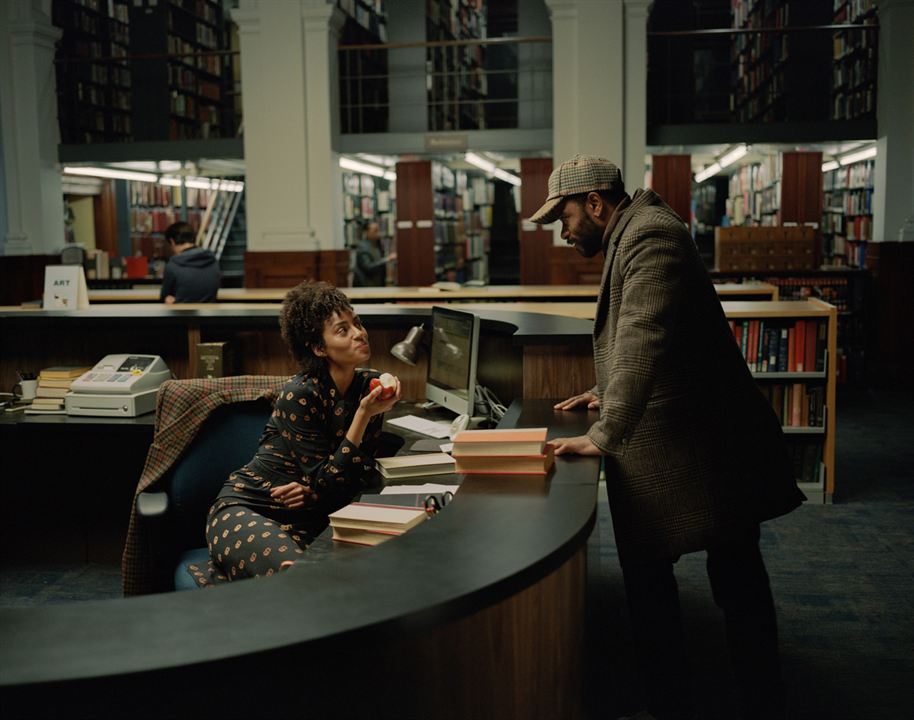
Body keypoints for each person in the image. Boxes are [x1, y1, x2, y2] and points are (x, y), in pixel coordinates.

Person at [529, 155, 805, 720]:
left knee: (723, 579)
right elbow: (662, 343)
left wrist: (604, 435)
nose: (562, 230)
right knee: (706, 575)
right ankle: (703, 692)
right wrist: (604, 390)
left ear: (597, 203)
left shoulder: (651, 236)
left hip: (709, 448)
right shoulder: (635, 232)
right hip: (690, 440)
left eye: (564, 215)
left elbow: (644, 335)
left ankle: (725, 698)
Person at [189, 280, 400, 585]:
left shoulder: (368, 387)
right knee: (301, 581)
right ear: (318, 348)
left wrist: (315, 490)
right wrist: (364, 415)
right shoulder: (300, 393)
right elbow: (330, 481)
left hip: (308, 519)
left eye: (356, 322)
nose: (359, 333)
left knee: (360, 576)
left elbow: (356, 473)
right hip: (247, 509)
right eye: (342, 330)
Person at [159, 221, 221, 303]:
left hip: (182, 314)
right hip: (209, 314)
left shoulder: (173, 265)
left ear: (172, 241)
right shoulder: (212, 260)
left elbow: (165, 296)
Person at [352, 220, 395, 287]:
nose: (378, 233)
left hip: (377, 285)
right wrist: (387, 259)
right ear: (367, 232)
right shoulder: (362, 247)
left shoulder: (377, 244)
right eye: (375, 231)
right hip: (365, 287)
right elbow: (368, 267)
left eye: (378, 230)